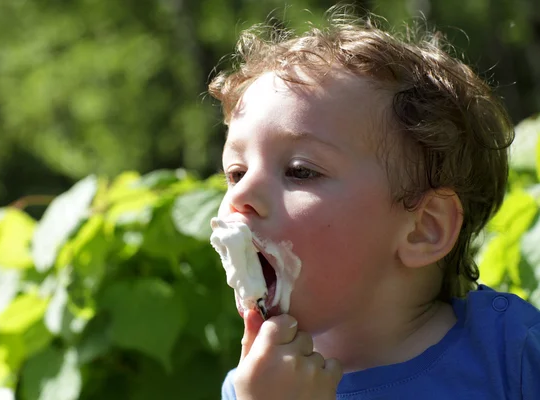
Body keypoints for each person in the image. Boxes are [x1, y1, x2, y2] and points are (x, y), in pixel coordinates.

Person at [207, 5, 540, 400]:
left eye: (300, 170)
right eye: (236, 173)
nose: (239, 197)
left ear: (423, 228)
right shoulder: (255, 386)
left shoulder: (511, 353)